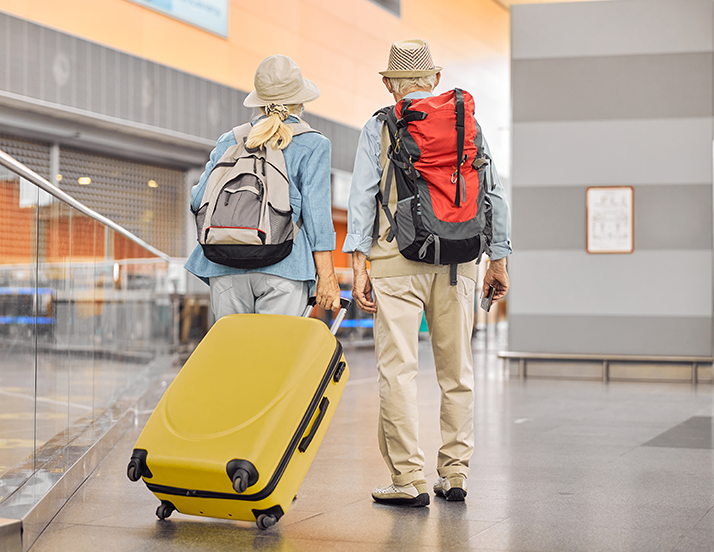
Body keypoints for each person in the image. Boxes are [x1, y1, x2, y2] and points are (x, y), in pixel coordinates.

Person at [343, 39, 512, 506]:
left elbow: (361, 198)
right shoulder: (468, 122)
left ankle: (409, 480)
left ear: (389, 84)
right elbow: (494, 195)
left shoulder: (380, 125)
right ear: (434, 79)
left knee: (398, 372)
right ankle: (454, 474)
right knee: (457, 372)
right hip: (461, 261)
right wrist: (497, 259)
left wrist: (358, 264)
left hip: (396, 259)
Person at [186, 55, 340, 317]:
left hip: (224, 266)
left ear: (258, 101)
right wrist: (327, 277)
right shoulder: (313, 144)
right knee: (276, 356)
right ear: (300, 102)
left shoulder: (230, 140)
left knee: (234, 356)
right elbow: (318, 218)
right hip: (285, 267)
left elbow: (198, 200)